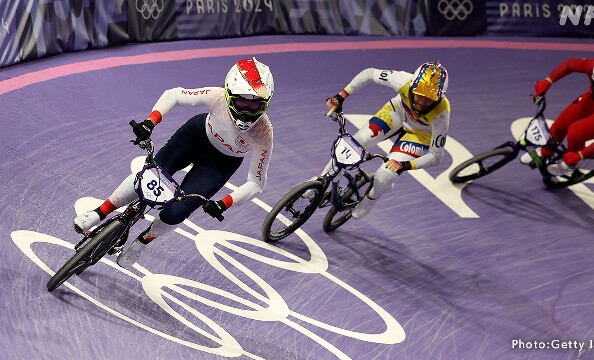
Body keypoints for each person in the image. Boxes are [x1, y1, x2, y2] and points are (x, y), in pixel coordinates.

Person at [73, 57, 275, 267]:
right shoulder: (218, 98)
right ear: (229, 96)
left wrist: (225, 203)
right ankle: (100, 212)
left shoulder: (264, 134)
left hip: (220, 164)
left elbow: (256, 182)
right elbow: (175, 95)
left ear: (265, 103)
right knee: (149, 177)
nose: (247, 110)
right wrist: (151, 121)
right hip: (195, 137)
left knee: (177, 211)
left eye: (254, 105)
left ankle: (145, 240)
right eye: (242, 102)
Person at [321, 62, 450, 218]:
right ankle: (321, 181)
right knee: (353, 144)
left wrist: (405, 165)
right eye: (419, 95)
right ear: (412, 86)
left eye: (428, 99)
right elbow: (369, 73)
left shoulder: (442, 113)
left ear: (438, 98)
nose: (422, 103)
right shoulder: (403, 80)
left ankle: (371, 198)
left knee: (386, 174)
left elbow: (436, 156)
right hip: (398, 111)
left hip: (420, 134)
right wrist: (342, 95)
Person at [522, 49, 594, 175]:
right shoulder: (593, 66)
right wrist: (548, 81)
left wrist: (579, 155)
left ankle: (570, 166)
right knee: (561, 123)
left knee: (576, 132)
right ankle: (545, 152)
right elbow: (570, 64)